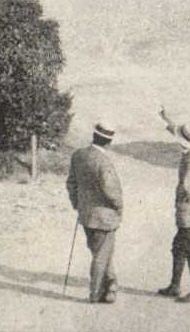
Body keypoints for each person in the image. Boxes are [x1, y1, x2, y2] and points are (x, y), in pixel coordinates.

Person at [66, 122, 123, 305]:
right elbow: (111, 191)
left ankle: (111, 285)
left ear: (94, 136)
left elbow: (71, 183)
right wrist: (119, 207)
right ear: (109, 142)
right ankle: (96, 293)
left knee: (100, 252)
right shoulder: (104, 162)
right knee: (101, 255)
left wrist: (77, 204)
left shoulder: (79, 155)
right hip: (104, 217)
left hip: (86, 215)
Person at [157, 109, 190, 303]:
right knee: (179, 246)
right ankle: (175, 286)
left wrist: (183, 197)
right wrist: (166, 116)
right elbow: (176, 130)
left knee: (189, 248)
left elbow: (186, 184)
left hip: (189, 211)